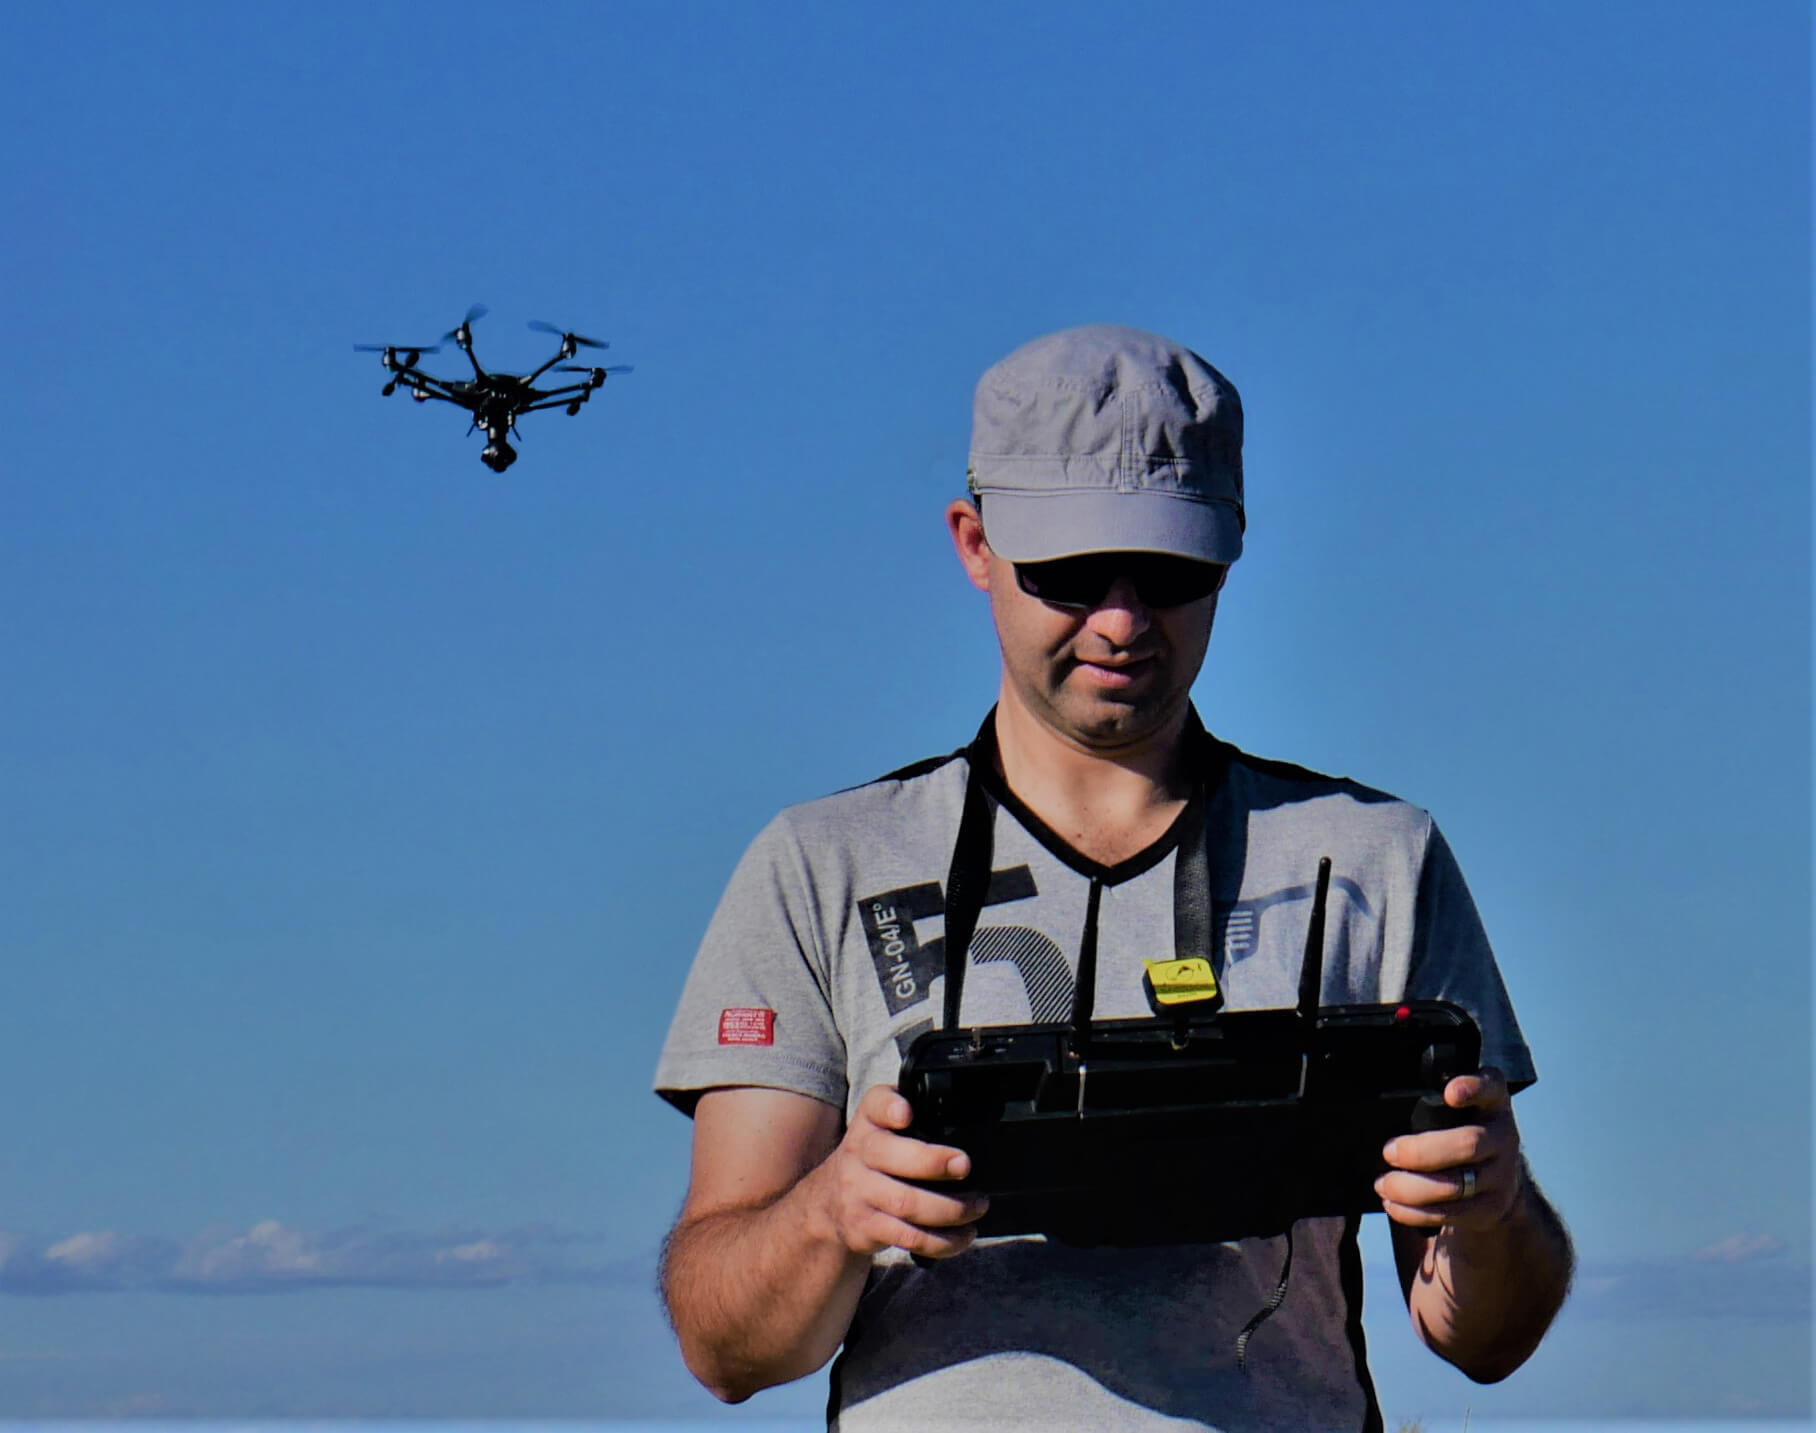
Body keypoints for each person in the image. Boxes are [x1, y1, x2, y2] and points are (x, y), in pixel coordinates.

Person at [653, 325, 1574, 1431]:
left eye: (1173, 571)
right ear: (973, 542)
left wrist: (1491, 1207)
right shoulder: (823, 863)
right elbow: (726, 1346)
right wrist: (832, 1210)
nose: (1124, 620)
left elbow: (1484, 1336)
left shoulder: (1373, 855)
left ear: (1233, 551)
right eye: (1073, 571)